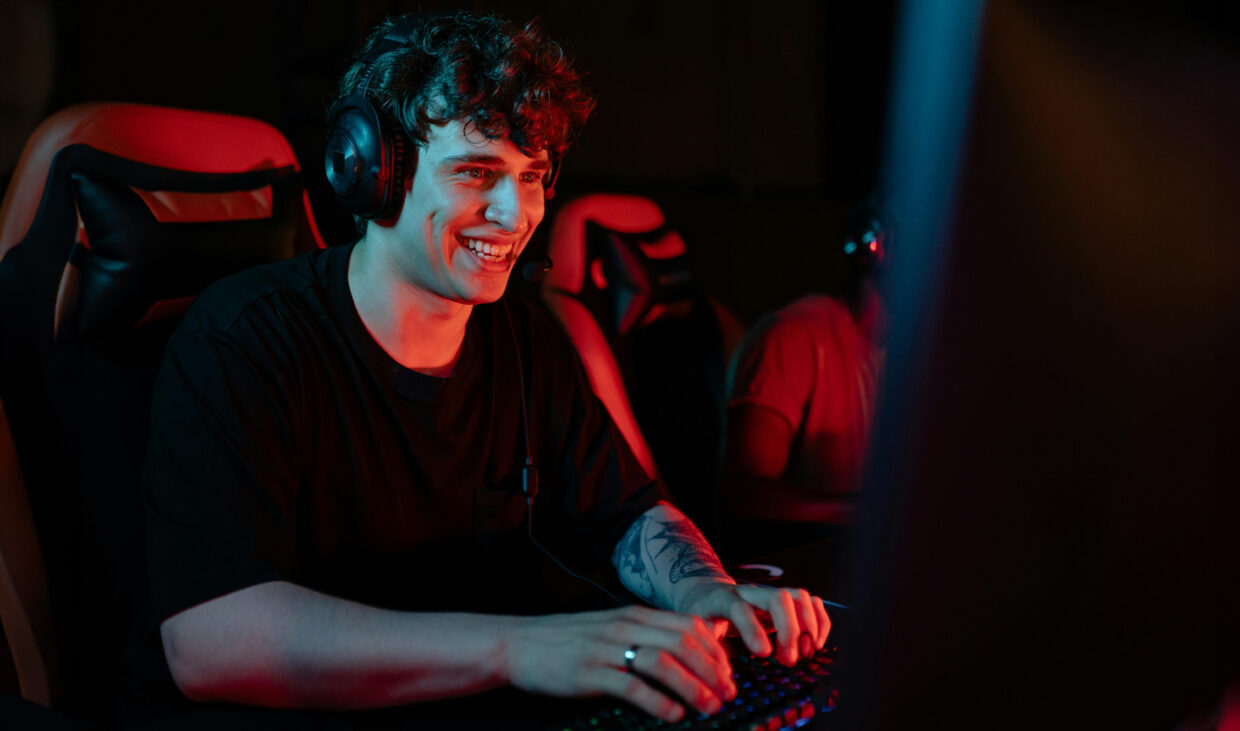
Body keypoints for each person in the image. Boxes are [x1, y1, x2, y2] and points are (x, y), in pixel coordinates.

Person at [126, 11, 830, 727]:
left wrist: (709, 594)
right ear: (371, 172)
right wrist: (521, 648)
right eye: (476, 172)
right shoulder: (244, 340)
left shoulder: (522, 336)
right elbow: (207, 640)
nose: (515, 212)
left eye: (532, 177)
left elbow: (625, 511)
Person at [719, 200, 889, 554]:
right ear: (869, 243)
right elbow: (746, 497)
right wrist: (871, 514)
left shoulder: (938, 354)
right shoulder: (791, 336)